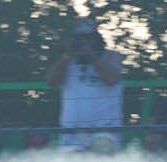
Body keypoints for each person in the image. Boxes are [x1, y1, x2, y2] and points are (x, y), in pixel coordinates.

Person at [47, 17, 125, 152]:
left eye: (89, 38)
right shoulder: (68, 61)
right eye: (80, 38)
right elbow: (51, 81)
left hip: (104, 130)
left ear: (97, 39)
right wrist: (67, 55)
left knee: (101, 158)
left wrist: (91, 55)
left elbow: (111, 79)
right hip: (71, 132)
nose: (84, 42)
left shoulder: (111, 56)